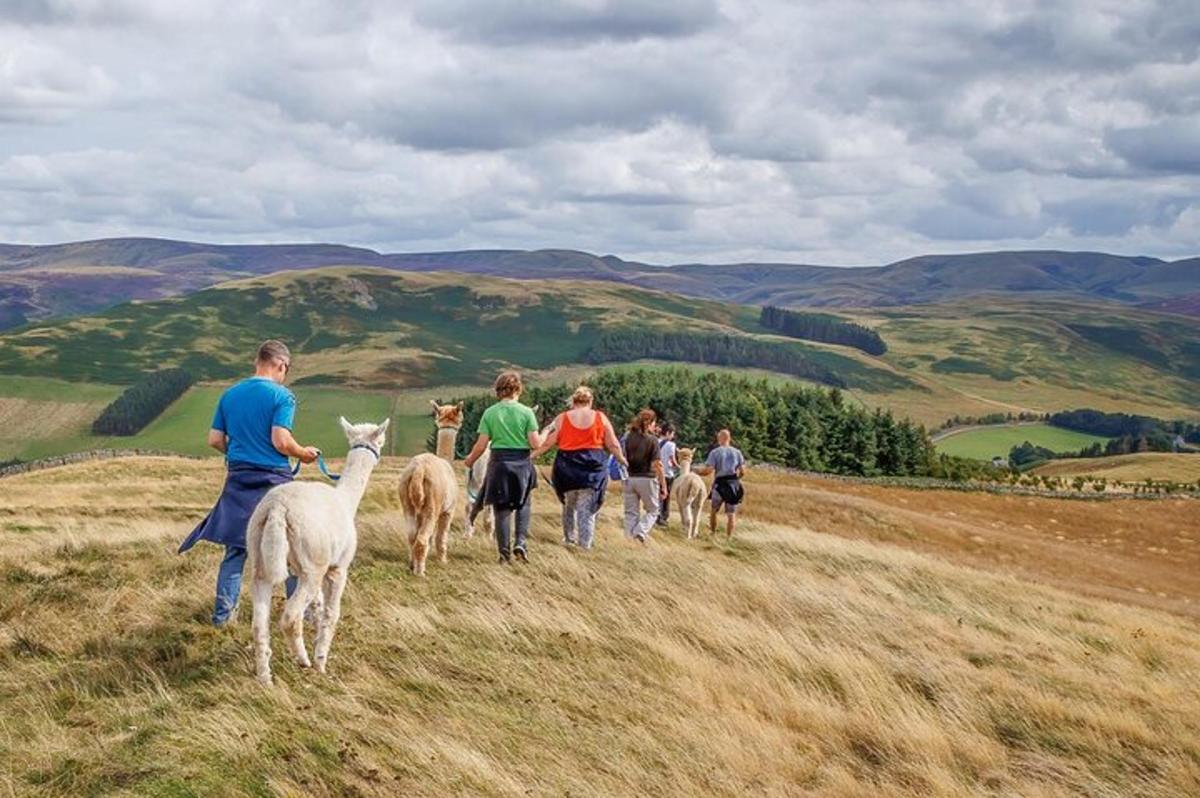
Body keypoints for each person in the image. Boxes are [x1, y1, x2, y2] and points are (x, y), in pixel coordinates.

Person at [178, 340, 320, 626]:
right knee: (292, 549)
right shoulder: (282, 395)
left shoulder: (230, 395)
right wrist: (303, 453)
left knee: (236, 549)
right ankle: (297, 617)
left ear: (258, 361)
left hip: (239, 480)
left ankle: (223, 618)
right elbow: (280, 440)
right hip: (274, 482)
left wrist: (239, 453)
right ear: (281, 365)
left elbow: (215, 440)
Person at [532, 386, 627, 550]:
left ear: (573, 402)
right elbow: (612, 444)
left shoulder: (562, 418)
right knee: (587, 506)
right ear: (590, 401)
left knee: (569, 504)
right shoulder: (600, 417)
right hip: (592, 465)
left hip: (567, 466)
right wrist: (622, 460)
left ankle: (569, 538)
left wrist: (532, 455)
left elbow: (549, 442)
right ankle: (585, 544)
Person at [464, 371, 544, 564]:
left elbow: (481, 445)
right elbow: (536, 444)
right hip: (522, 464)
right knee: (523, 503)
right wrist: (547, 432)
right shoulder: (526, 413)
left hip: (499, 464)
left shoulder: (490, 413)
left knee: (502, 509)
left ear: (498, 390)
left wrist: (470, 460)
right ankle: (521, 543)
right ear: (518, 389)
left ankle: (504, 555)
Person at [622, 409, 668, 543]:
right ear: (651, 423)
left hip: (629, 478)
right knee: (653, 510)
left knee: (630, 513)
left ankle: (628, 540)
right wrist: (663, 486)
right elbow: (658, 465)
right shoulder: (652, 440)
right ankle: (640, 533)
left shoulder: (628, 437)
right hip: (647, 478)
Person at [695, 428, 747, 538]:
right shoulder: (737, 452)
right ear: (729, 438)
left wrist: (697, 472)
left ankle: (713, 533)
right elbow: (743, 471)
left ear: (719, 438)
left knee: (714, 510)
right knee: (731, 514)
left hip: (719, 484)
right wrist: (737, 479)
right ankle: (729, 537)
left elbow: (709, 470)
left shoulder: (715, 452)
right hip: (733, 484)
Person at [655, 422, 678, 527]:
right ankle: (663, 517)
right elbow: (672, 461)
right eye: (672, 434)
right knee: (666, 495)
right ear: (668, 433)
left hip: (655, 473)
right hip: (667, 474)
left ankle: (656, 515)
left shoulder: (655, 441)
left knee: (656, 495)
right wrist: (679, 467)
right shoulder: (671, 445)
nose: (673, 436)